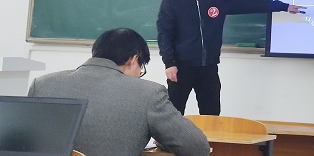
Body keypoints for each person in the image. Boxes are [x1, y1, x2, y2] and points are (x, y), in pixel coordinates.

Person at [157, 0, 305, 115]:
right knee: (173, 113)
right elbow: (165, 35)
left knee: (212, 113)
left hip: (209, 67)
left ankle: (209, 134)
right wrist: (169, 63)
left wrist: (282, 6)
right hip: (181, 68)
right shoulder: (171, 2)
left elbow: (246, 5)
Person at [28, 28, 210, 156]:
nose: (139, 75)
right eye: (141, 68)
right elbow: (197, 147)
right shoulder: (149, 93)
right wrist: (164, 138)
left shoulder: (42, 84)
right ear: (134, 59)